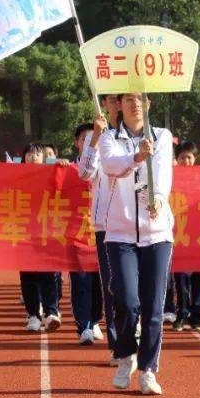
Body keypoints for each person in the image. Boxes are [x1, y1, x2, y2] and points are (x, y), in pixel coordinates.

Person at [99, 92, 174, 395]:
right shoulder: (108, 137)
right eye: (128, 99)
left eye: (141, 98)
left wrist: (157, 198)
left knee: (154, 306)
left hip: (156, 233)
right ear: (119, 105)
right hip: (120, 234)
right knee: (127, 302)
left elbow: (163, 173)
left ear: (149, 104)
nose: (135, 104)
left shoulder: (162, 136)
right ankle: (125, 355)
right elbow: (110, 166)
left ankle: (148, 371)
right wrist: (136, 157)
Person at [78, 95, 121, 361]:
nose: (118, 105)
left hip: (135, 223)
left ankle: (134, 330)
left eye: (124, 99)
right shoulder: (100, 136)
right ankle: (119, 344)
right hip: (106, 225)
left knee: (134, 288)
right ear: (105, 104)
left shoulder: (143, 135)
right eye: (113, 100)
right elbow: (84, 173)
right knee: (112, 286)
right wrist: (95, 137)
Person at [16, 142, 62, 332]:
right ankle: (33, 315)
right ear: (23, 158)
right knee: (28, 276)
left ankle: (51, 312)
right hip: (24, 233)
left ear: (44, 157)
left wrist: (63, 166)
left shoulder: (54, 174)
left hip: (47, 232)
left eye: (37, 154)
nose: (33, 157)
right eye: (29, 154)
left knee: (49, 273)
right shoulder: (16, 177)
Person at [69, 122, 105, 345]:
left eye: (93, 138)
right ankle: (83, 326)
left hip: (101, 232)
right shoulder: (68, 168)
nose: (89, 142)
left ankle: (94, 320)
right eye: (84, 138)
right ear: (77, 142)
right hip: (76, 235)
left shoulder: (105, 167)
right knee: (80, 281)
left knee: (99, 282)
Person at [171, 141, 200, 332]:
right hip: (180, 235)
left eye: (189, 157)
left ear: (195, 159)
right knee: (181, 277)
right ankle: (182, 314)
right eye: (182, 157)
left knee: (199, 277)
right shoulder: (171, 178)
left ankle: (197, 316)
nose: (186, 160)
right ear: (177, 159)